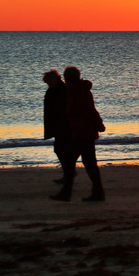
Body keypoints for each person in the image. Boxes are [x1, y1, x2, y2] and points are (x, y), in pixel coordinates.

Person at [51, 66, 106, 202]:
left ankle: (67, 193)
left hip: (82, 133)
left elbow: (90, 111)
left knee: (72, 161)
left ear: (68, 79)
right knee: (88, 163)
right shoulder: (76, 91)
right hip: (81, 132)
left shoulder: (78, 92)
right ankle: (96, 193)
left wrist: (99, 125)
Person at [41, 69, 73, 186]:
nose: (49, 81)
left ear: (57, 78)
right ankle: (68, 173)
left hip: (64, 125)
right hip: (58, 125)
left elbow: (63, 109)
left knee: (61, 149)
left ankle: (69, 173)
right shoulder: (52, 90)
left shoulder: (61, 90)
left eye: (51, 79)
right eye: (47, 79)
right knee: (62, 149)